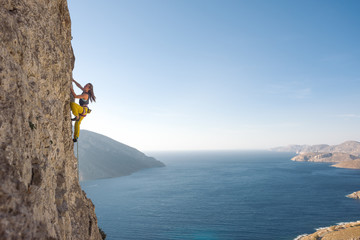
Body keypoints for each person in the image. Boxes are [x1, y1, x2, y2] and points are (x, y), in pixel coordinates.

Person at [70, 78, 96, 142]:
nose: (85, 86)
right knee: (77, 123)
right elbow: (79, 85)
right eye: (85, 85)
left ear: (89, 89)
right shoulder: (85, 91)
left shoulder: (85, 95)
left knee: (73, 104)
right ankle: (76, 137)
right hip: (83, 111)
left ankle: (77, 116)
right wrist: (73, 80)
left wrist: (71, 89)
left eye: (86, 86)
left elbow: (75, 96)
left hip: (83, 109)